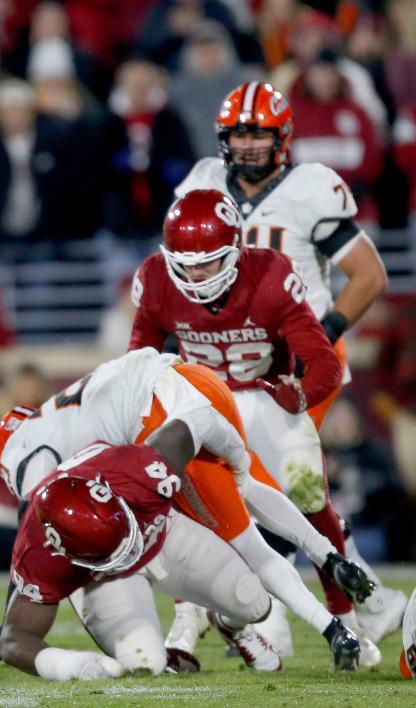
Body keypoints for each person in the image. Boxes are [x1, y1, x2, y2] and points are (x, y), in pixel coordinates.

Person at [173, 80, 402, 647]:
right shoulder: (202, 181)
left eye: (259, 133)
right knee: (235, 483)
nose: (248, 145)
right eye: (240, 134)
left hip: (297, 358)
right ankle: (340, 605)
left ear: (283, 137)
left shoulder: (310, 188)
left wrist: (320, 335)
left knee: (290, 482)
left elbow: (369, 275)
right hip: (227, 358)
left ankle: (330, 610)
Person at [0, 348, 370, 672]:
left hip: (159, 421)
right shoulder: (49, 509)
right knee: (143, 664)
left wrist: (239, 462)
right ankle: (179, 630)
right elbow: (32, 530)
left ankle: (220, 623)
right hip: (108, 528)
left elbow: (197, 422)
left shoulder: (131, 463)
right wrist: (25, 643)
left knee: (249, 592)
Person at [130, 189, 379, 665]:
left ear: (235, 253)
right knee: (183, 509)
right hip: (202, 405)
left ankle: (345, 618)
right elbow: (138, 362)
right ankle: (191, 620)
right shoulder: (158, 280)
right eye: (184, 262)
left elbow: (322, 361)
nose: (194, 274)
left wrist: (301, 393)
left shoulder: (269, 276)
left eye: (207, 262)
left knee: (308, 497)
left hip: (265, 400)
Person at [0, 439, 282, 679]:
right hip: (105, 579)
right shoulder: (40, 552)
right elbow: (13, 640)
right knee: (145, 664)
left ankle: (232, 627)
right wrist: (69, 665)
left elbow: (194, 429)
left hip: (158, 530)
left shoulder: (132, 469)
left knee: (253, 601)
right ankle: (164, 656)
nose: (129, 554)